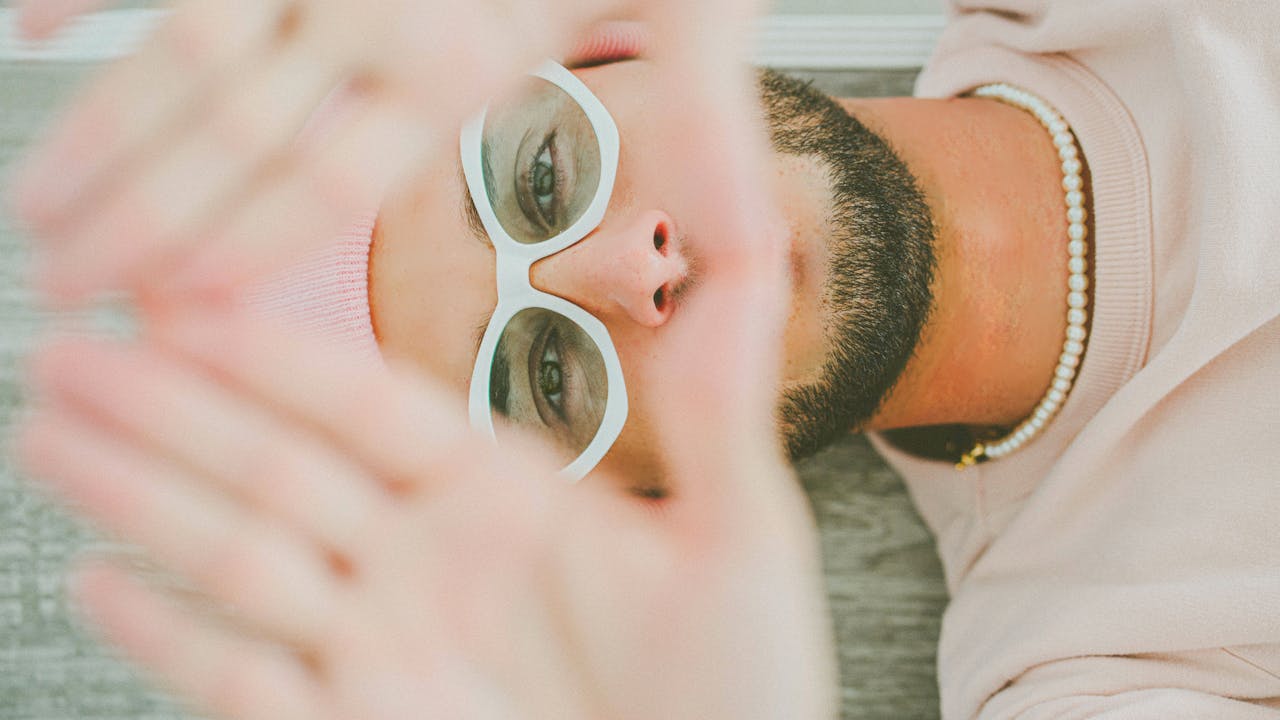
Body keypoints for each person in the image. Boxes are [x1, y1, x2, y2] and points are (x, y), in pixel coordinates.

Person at [11, 0, 1280, 718]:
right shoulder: (1086, 667)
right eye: (542, 381)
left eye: (543, 175)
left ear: (616, 49)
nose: (632, 271)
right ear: (635, 498)